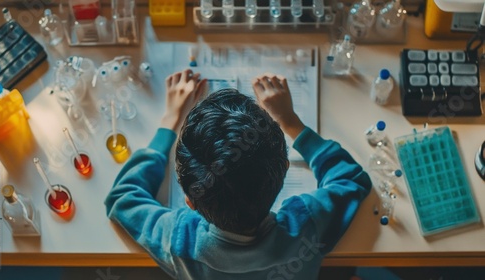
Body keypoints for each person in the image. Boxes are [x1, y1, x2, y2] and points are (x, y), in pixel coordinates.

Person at [105, 69, 372, 279]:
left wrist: (169, 121)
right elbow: (350, 179)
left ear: (190, 202)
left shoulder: (180, 239)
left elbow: (122, 198)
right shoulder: (305, 228)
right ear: (284, 173)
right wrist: (291, 123)